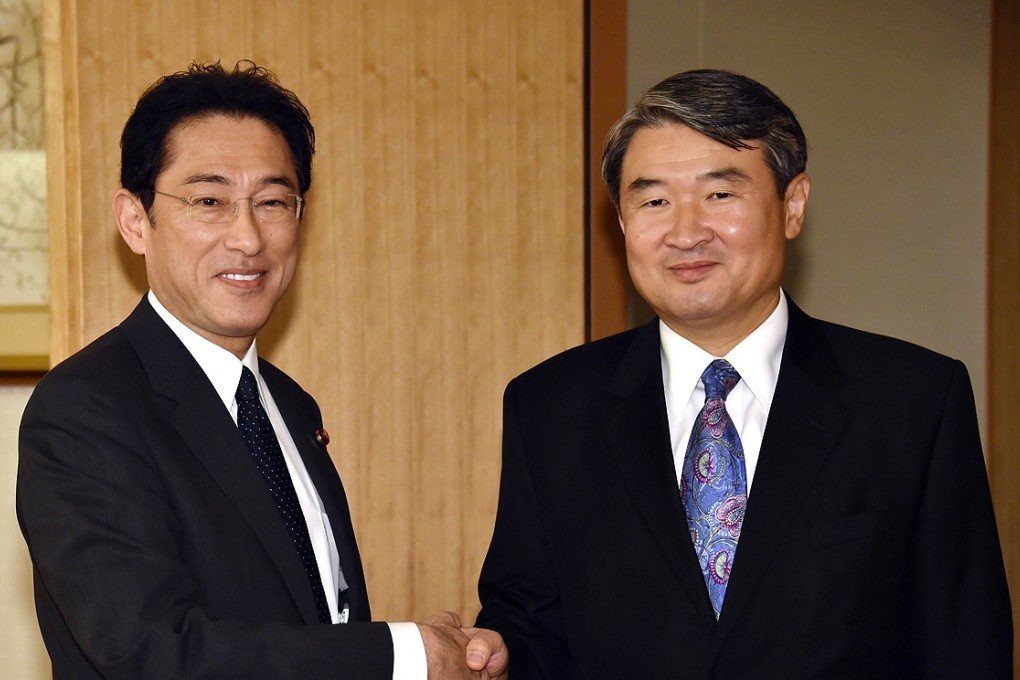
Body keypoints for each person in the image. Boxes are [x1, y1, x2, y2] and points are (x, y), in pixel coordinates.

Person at [475, 69, 1012, 678]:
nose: (685, 232)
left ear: (793, 205)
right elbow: (528, 625)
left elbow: (963, 643)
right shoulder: (549, 406)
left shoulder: (914, 401)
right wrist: (494, 653)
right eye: (653, 200)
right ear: (622, 223)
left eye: (720, 195)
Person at [17, 61, 507, 680]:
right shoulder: (85, 408)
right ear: (135, 220)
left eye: (273, 201)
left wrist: (439, 655)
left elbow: (313, 631)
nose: (248, 237)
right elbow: (150, 652)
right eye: (209, 200)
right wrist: (402, 655)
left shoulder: (290, 406)